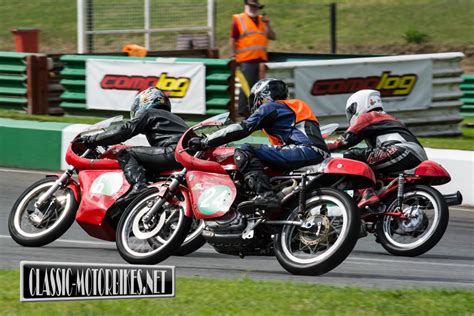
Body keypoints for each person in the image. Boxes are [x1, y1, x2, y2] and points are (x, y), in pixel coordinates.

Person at [188, 79, 329, 214]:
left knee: (245, 149)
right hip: (312, 153)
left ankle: (266, 195)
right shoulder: (290, 111)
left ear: (262, 97)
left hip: (305, 150)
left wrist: (206, 141)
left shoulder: (272, 107)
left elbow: (243, 127)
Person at [74, 87, 188, 201]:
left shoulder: (149, 112)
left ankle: (139, 187)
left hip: (172, 152)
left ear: (145, 101)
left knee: (125, 153)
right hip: (185, 156)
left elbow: (125, 130)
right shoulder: (177, 119)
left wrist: (91, 140)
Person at [327, 89, 428, 213]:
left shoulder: (369, 116)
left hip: (401, 150)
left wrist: (322, 145)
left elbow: (344, 141)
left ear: (359, 105)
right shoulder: (388, 117)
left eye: (351, 111)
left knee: (351, 155)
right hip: (417, 155)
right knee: (370, 163)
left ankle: (368, 193)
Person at [231, 0, 276, 118]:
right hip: (246, 59)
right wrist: (233, 56)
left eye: (256, 7)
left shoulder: (262, 21)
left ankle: (253, 110)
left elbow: (272, 36)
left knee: (259, 87)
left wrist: (267, 24)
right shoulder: (240, 19)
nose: (254, 9)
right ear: (246, 5)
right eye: (251, 6)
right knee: (247, 86)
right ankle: (243, 111)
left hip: (260, 59)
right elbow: (233, 39)